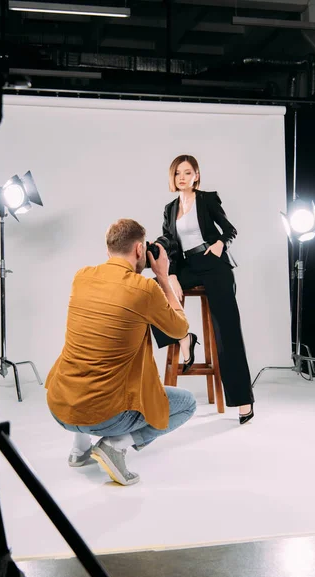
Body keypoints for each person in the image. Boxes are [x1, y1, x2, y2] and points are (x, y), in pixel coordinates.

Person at [45, 218, 196, 486]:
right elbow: (180, 328)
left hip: (60, 407)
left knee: (90, 366)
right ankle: (115, 444)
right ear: (140, 250)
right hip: (105, 417)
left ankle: (80, 449)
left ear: (108, 249)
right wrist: (162, 276)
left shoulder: (82, 277)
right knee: (186, 404)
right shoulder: (145, 288)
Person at [151, 154, 254, 424]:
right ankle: (184, 338)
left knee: (227, 330)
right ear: (173, 178)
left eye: (187, 172)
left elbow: (230, 229)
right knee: (151, 289)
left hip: (213, 264)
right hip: (187, 266)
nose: (182, 177)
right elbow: (170, 244)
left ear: (196, 175)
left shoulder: (207, 199)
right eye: (177, 173)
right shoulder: (170, 208)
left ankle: (243, 401)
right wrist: (171, 274)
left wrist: (220, 243)